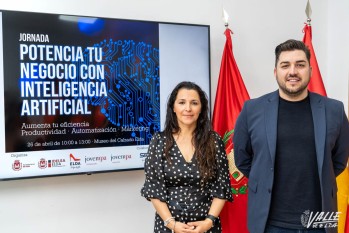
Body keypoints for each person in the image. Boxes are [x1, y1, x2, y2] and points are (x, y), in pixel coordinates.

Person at [233, 39, 349, 233]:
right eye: (285, 65)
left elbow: (338, 161)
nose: (293, 71)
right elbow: (242, 159)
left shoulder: (334, 110)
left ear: (310, 71)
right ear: (275, 71)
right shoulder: (252, 110)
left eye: (300, 65)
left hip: (320, 221)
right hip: (270, 223)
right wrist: (264, 177)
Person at [141, 81, 233, 233]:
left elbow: (221, 187)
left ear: (201, 108)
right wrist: (172, 224)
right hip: (169, 226)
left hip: (206, 226)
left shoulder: (214, 141)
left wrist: (208, 222)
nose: (188, 108)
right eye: (182, 102)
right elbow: (154, 189)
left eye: (194, 103)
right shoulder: (159, 141)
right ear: (174, 108)